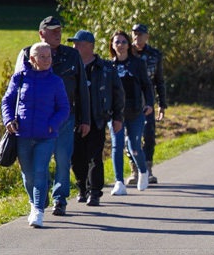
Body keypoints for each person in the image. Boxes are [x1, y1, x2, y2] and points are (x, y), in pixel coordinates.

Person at [15, 17, 90, 217]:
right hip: (34, 121)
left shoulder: (72, 55)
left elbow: (82, 88)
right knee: (35, 166)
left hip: (65, 117)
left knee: (63, 160)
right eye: (52, 30)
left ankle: (59, 199)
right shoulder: (27, 53)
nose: (58, 34)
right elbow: (16, 88)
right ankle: (40, 196)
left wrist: (86, 120)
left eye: (59, 30)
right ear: (41, 34)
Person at [3, 42, 70, 228]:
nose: (47, 60)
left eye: (49, 56)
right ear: (32, 60)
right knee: (28, 175)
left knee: (40, 172)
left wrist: (52, 125)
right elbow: (6, 101)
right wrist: (8, 120)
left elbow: (64, 108)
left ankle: (39, 211)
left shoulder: (56, 82)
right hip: (22, 135)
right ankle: (33, 203)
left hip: (46, 136)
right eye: (42, 57)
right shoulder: (19, 78)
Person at [68, 30, 125, 206]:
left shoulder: (106, 68)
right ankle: (82, 189)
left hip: (97, 118)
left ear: (90, 46)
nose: (74, 47)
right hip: (74, 120)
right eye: (74, 44)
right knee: (76, 157)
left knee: (94, 156)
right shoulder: (70, 67)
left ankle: (94, 192)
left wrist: (117, 118)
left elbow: (118, 94)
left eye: (79, 44)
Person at [108, 30, 154, 195]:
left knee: (134, 147)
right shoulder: (109, 65)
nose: (120, 44)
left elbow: (146, 85)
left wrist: (149, 104)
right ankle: (119, 182)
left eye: (123, 42)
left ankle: (143, 171)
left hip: (135, 111)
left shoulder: (138, 63)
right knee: (117, 145)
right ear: (112, 46)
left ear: (129, 44)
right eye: (117, 42)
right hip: (115, 113)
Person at [129, 23, 167, 185]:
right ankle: (134, 170)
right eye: (135, 34)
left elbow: (159, 81)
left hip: (148, 99)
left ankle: (148, 168)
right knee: (129, 136)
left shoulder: (154, 55)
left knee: (149, 134)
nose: (137, 37)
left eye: (141, 34)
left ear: (147, 37)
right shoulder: (125, 51)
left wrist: (162, 104)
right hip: (129, 99)